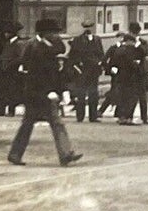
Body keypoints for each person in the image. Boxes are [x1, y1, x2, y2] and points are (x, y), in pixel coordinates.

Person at [8, 18, 83, 166]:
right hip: (36, 93)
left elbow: (55, 70)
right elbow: (34, 73)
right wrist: (49, 91)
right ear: (44, 33)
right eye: (53, 32)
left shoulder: (49, 44)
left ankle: (65, 153)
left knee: (50, 123)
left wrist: (59, 89)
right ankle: (64, 153)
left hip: (44, 91)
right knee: (33, 123)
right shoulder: (33, 47)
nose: (56, 35)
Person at [67, 21, 105, 123]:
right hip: (82, 70)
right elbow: (72, 56)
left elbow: (101, 53)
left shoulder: (97, 39)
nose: (88, 29)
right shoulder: (77, 40)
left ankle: (93, 116)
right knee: (81, 94)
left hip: (94, 71)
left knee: (94, 94)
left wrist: (100, 64)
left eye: (90, 27)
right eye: (86, 27)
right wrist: (76, 68)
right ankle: (80, 116)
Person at [106, 28, 145, 125]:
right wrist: (136, 65)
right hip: (131, 78)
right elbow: (139, 57)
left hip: (120, 77)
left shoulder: (118, 50)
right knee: (131, 98)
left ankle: (122, 117)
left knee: (122, 97)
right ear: (130, 41)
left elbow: (113, 63)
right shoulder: (131, 50)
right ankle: (128, 117)